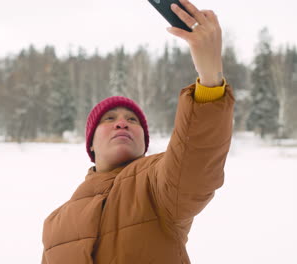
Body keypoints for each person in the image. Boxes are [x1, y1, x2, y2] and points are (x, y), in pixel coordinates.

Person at [41, 0, 235, 263]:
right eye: (109, 119)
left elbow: (195, 165)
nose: (122, 123)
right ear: (91, 145)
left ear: (144, 143)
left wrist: (210, 77)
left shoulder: (157, 185)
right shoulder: (55, 222)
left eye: (133, 120)